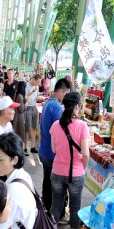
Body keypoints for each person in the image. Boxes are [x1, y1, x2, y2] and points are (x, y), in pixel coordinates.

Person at [50, 92, 90, 229]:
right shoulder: (82, 126)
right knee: (75, 208)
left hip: (57, 172)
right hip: (76, 173)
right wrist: (84, 167)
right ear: (77, 107)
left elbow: (54, 150)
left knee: (55, 205)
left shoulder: (56, 125)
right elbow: (85, 153)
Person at [39, 78, 71, 212]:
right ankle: (59, 213)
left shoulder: (48, 103)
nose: (66, 97)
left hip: (44, 151)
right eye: (66, 94)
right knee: (58, 186)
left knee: (47, 181)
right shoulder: (57, 107)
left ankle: (46, 207)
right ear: (60, 91)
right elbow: (62, 130)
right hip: (52, 153)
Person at [25, 74, 41, 154]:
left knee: (34, 128)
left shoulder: (37, 87)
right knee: (27, 128)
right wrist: (32, 92)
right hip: (28, 108)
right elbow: (25, 98)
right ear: (34, 79)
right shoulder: (27, 85)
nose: (38, 84)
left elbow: (36, 97)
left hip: (34, 107)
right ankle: (25, 147)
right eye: (37, 82)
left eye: (39, 83)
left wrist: (39, 98)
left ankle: (33, 146)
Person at [12, 81, 27, 152]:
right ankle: (20, 151)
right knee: (20, 135)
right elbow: (21, 109)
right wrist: (26, 103)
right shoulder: (20, 97)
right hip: (19, 118)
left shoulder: (17, 95)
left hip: (17, 118)